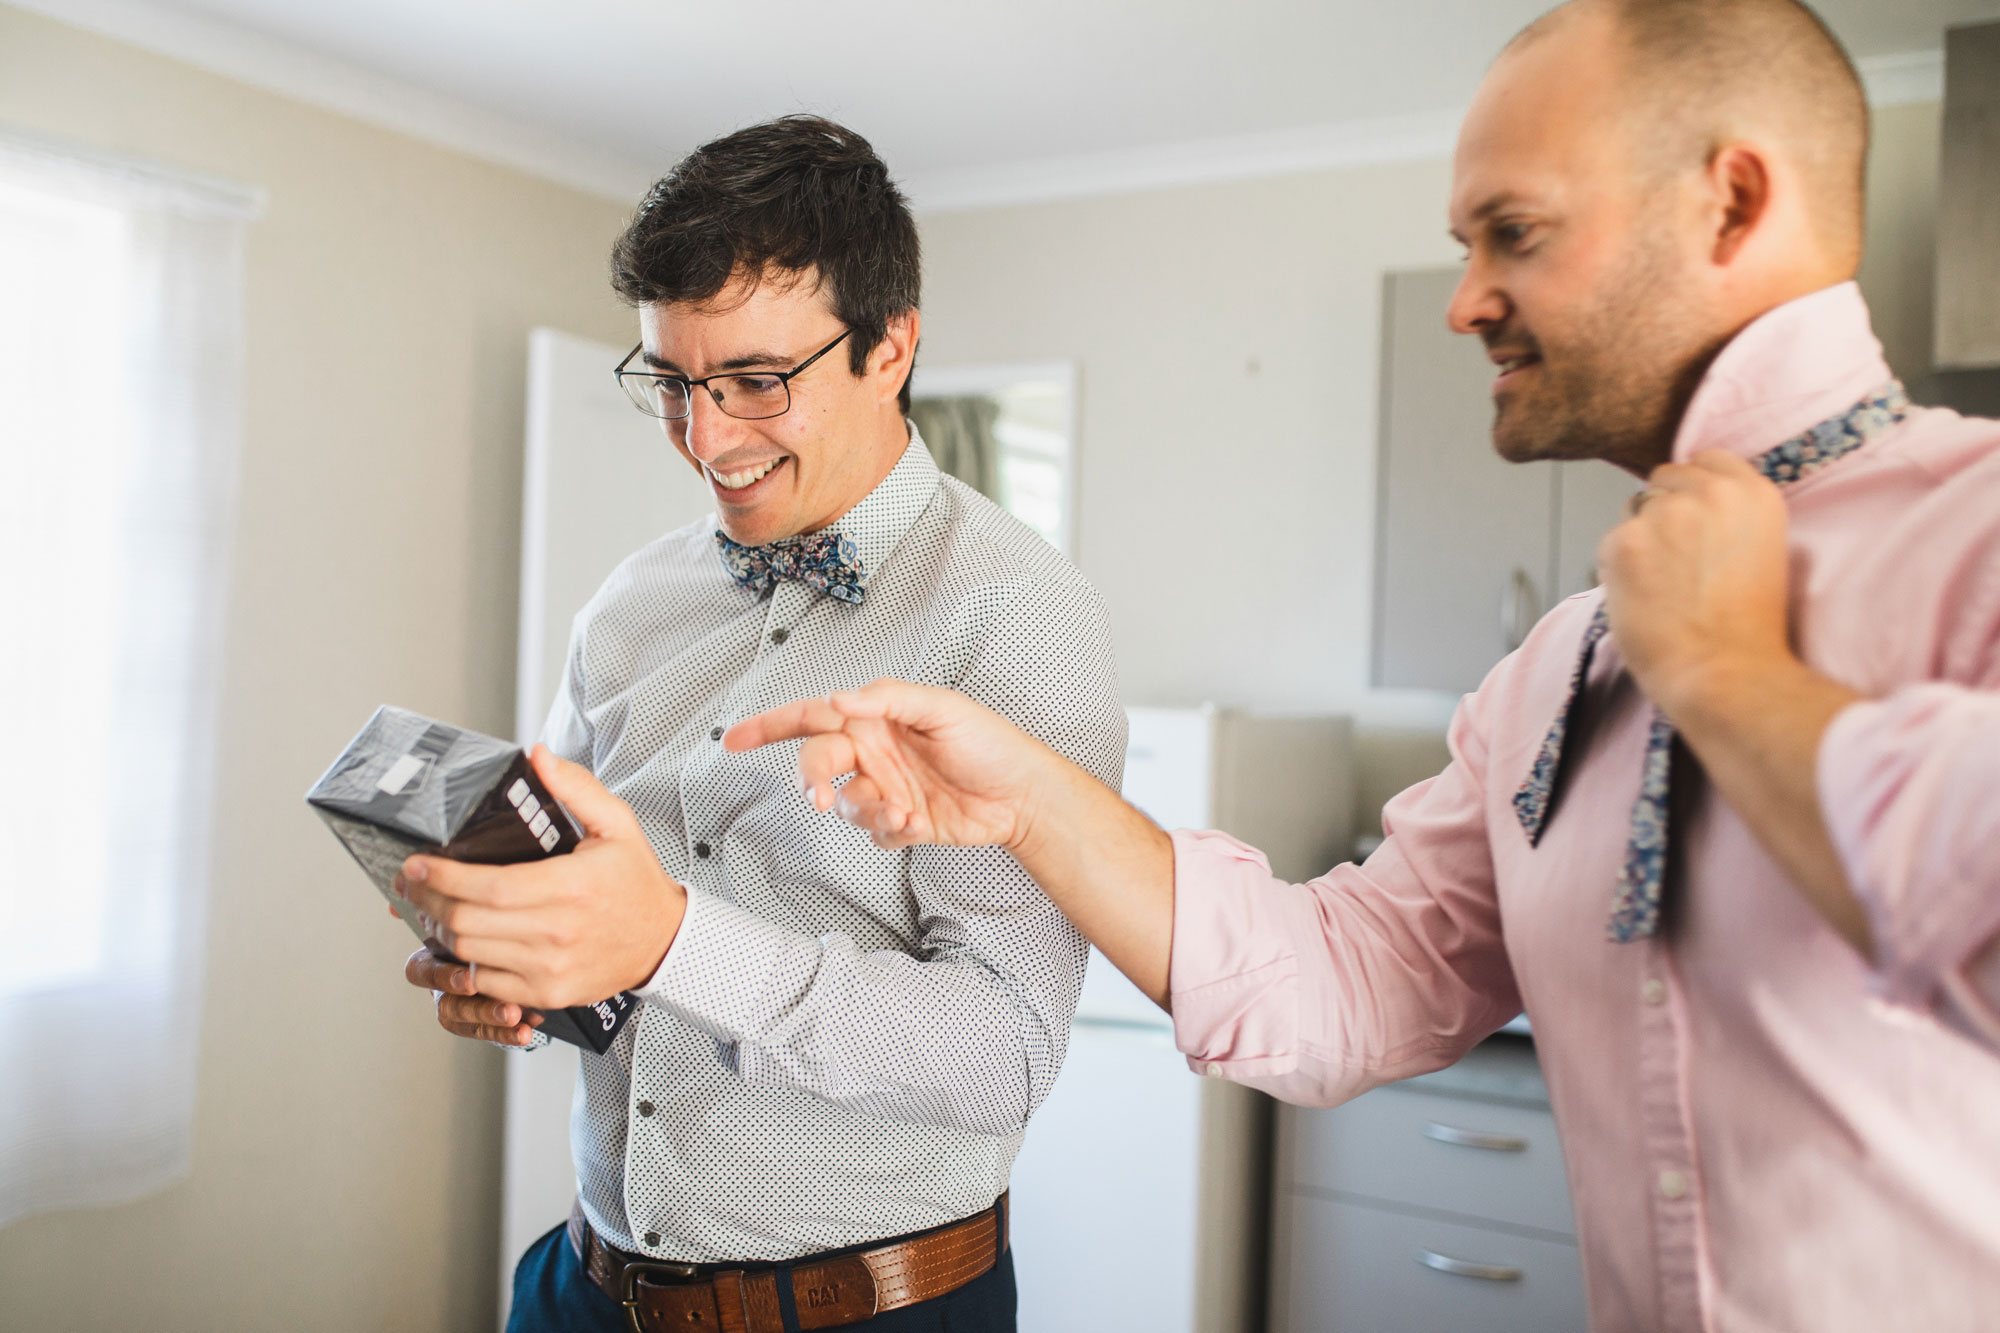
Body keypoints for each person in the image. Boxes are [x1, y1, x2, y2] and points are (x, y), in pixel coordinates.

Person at [730, 3, 2000, 1328]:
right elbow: (1348, 984)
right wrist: (1032, 800)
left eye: (1516, 232)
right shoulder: (1563, 666)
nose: (1465, 304)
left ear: (1731, 203)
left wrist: (1728, 672)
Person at [393, 115, 1126, 1333]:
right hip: (585, 1285)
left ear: (889, 347)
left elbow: (1003, 1048)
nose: (707, 437)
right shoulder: (631, 603)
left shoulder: (1017, 618)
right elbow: (580, 883)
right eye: (673, 384)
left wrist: (670, 940)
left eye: (754, 382)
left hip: (869, 1310)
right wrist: (515, 958)